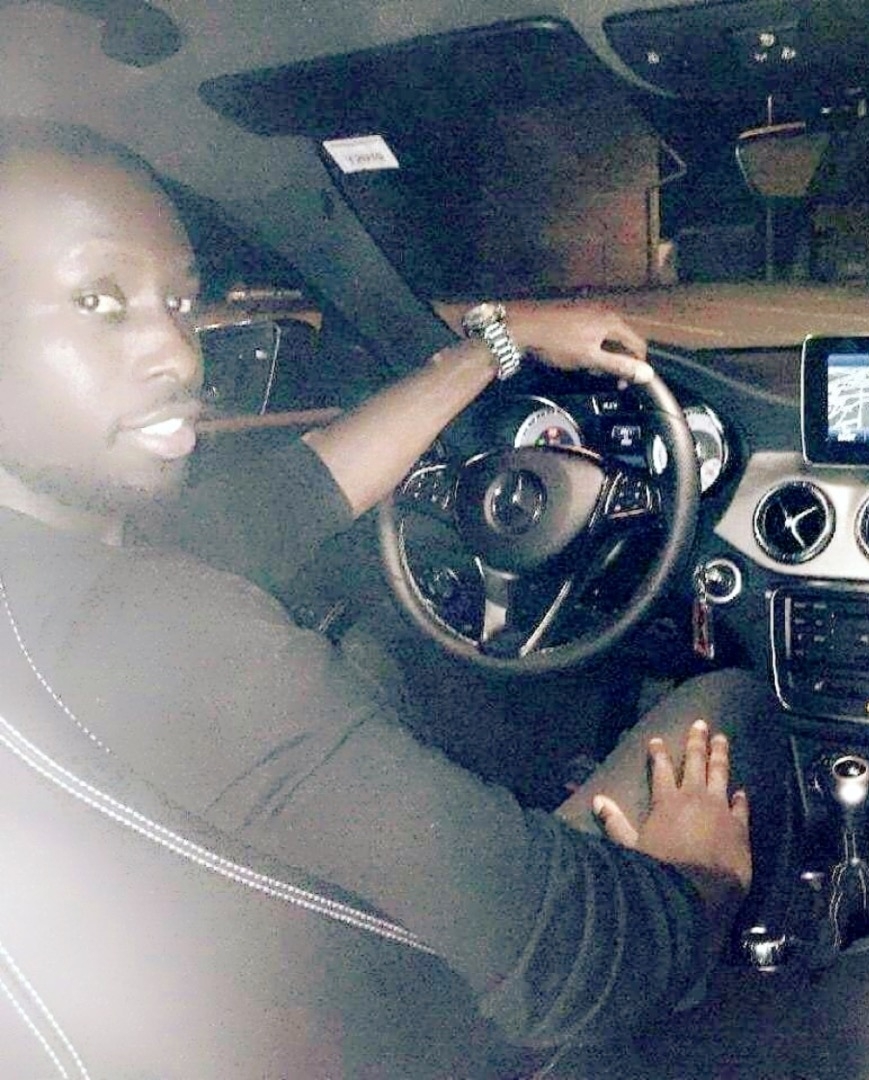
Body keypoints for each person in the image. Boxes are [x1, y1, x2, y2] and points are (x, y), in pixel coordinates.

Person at [0, 120, 768, 1078]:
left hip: (226, 1013)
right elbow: (574, 964)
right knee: (729, 710)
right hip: (446, 1043)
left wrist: (491, 348)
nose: (180, 357)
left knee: (396, 660)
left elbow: (296, 494)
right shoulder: (170, 638)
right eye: (98, 301)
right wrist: (697, 880)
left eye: (182, 303)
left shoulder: (65, 576)